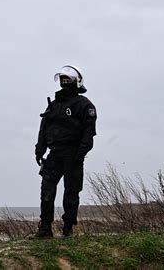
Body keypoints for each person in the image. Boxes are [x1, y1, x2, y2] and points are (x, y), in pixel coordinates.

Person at [33, 65, 97, 238]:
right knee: (46, 190)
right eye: (63, 79)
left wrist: (80, 154)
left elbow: (89, 133)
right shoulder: (53, 105)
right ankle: (45, 229)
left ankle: (68, 229)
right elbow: (44, 128)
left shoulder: (84, 105)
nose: (64, 82)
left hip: (73, 154)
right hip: (54, 154)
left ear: (76, 82)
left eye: (68, 79)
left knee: (71, 192)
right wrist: (40, 149)